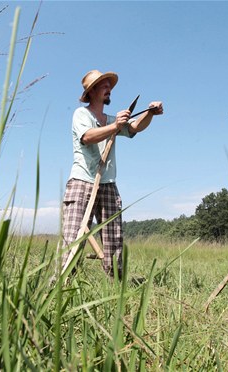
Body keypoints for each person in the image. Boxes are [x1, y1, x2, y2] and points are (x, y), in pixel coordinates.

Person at [59, 69, 163, 280]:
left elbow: (134, 127)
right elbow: (87, 137)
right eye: (104, 86)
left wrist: (149, 113)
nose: (109, 89)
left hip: (108, 184)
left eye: (109, 86)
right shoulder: (82, 114)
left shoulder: (111, 119)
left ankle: (116, 283)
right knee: (73, 237)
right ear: (92, 91)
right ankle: (62, 285)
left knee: (113, 238)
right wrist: (115, 126)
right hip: (82, 182)